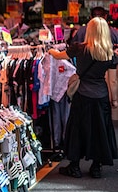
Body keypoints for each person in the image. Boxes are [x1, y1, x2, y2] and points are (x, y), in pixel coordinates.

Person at [49, 17, 118, 179]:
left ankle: (75, 166)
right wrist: (114, 99)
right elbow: (113, 80)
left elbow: (59, 56)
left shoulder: (79, 48)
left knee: (78, 130)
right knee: (100, 131)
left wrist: (50, 50)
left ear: (90, 31)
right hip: (100, 96)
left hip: (82, 95)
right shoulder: (110, 54)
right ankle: (96, 167)